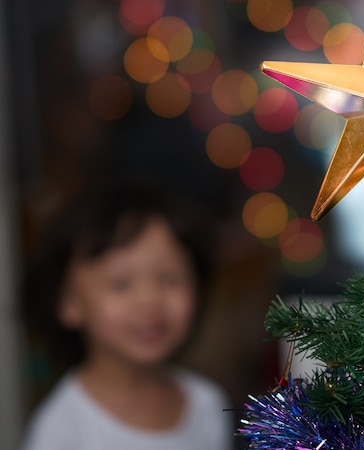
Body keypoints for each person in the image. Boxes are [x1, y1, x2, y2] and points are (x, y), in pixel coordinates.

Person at [21, 182, 234, 450]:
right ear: (67, 302)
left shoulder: (207, 405)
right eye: (121, 283)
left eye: (168, 279)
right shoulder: (61, 430)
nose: (150, 301)